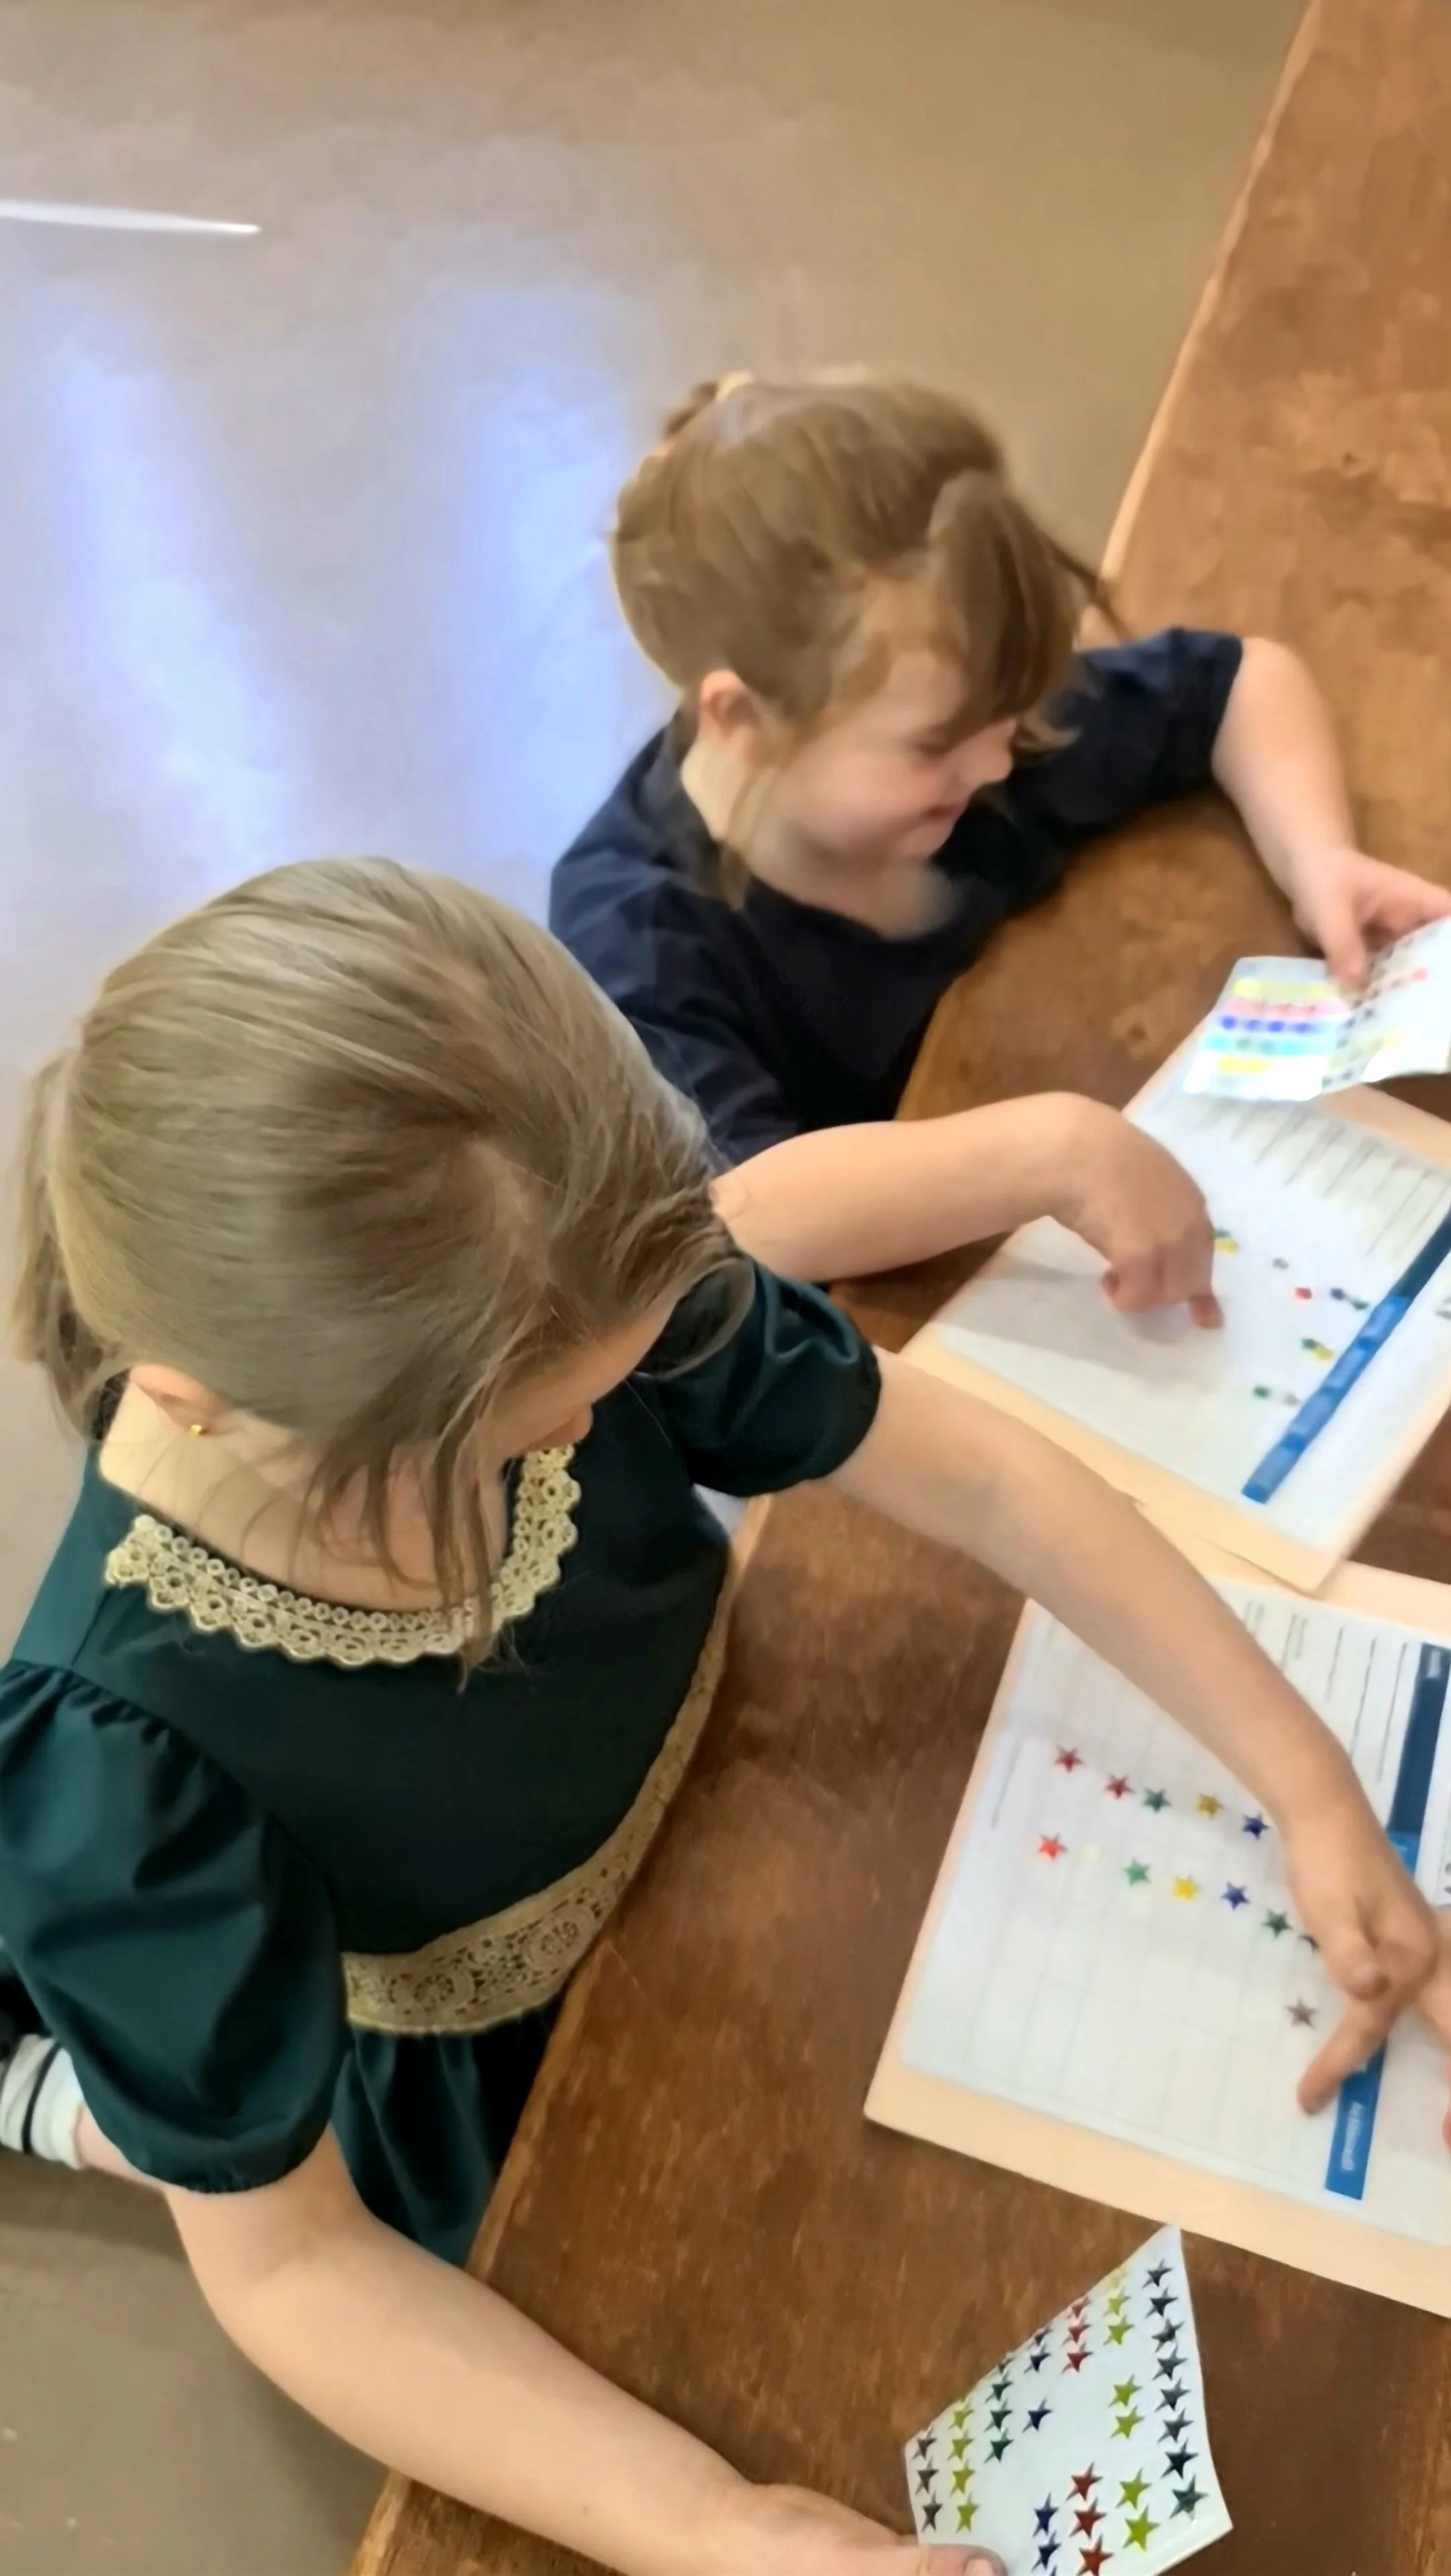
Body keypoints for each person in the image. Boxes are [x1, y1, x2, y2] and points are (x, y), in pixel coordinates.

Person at [1, 861, 1444, 2576]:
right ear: (205, 1401)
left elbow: (977, 1468)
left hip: (726, 1824)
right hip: (491, 2065)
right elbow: (297, 2269)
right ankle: (77, 2099)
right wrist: (723, 2529)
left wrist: (1308, 1774)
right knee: (212, 2114)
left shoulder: (571, 1268)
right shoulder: (124, 1755)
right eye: (528, 1443)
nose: (594, 1437)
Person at [550, 373, 1451, 1310]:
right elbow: (740, 1217)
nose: (993, 762)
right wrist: (1056, 1151)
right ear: (743, 720)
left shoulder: (977, 730)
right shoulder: (632, 936)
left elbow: (1240, 682)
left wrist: (1320, 862)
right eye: (936, 744)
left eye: (1005, 711)